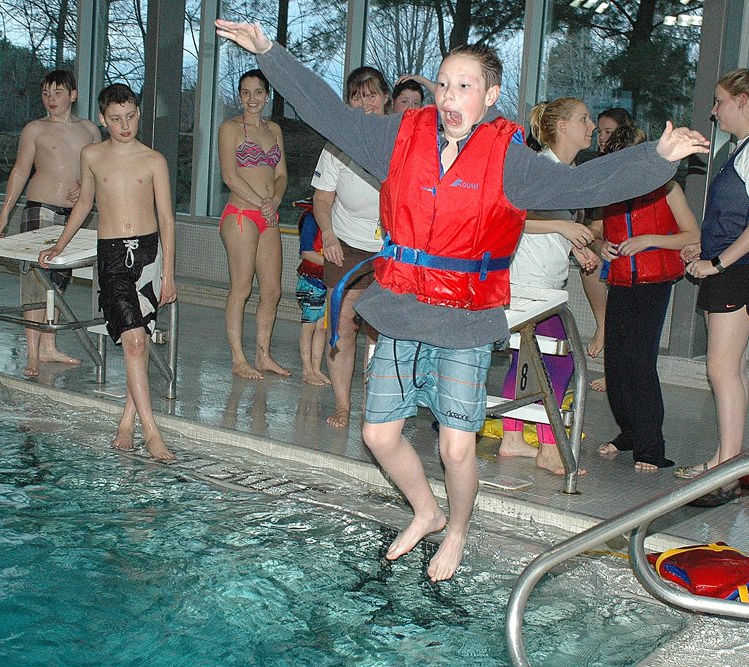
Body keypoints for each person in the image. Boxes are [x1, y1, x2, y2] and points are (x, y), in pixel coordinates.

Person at [215, 20, 708, 581]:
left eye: (465, 86)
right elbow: (328, 113)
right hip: (403, 305)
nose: (450, 98)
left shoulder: (508, 159)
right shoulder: (399, 138)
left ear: (491, 96)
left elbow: (583, 186)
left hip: (466, 317)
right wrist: (271, 55)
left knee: (455, 449)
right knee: (378, 434)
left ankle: (456, 529)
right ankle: (425, 511)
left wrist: (657, 159)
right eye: (444, 85)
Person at [38, 83, 178, 462]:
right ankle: (152, 433)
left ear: (137, 113)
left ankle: (127, 422)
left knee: (141, 341)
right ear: (103, 119)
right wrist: (60, 246)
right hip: (113, 256)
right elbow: (84, 203)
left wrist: (170, 273)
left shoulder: (154, 160)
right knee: (132, 341)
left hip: (149, 255)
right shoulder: (93, 155)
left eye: (130, 116)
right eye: (116, 119)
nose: (125, 125)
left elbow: (167, 218)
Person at [676, 58, 749, 506]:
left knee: (721, 368)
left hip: (742, 272)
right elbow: (734, 217)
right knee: (732, 369)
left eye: (720, 103)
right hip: (739, 268)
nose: (714, 112)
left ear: (743, 102)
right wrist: (703, 248)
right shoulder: (745, 148)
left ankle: (727, 473)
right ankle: (727, 458)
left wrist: (717, 263)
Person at [497, 97, 599, 476]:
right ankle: (549, 447)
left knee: (526, 361)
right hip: (528, 284)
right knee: (561, 360)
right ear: (562, 127)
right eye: (584, 119)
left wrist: (577, 248)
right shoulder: (540, 168)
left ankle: (511, 439)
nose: (590, 125)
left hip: (545, 282)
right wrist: (563, 227)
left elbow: (550, 226)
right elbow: (510, 218)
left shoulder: (566, 172)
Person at [593, 125, 700, 472]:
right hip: (622, 282)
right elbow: (594, 233)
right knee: (616, 363)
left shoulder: (667, 189)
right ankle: (630, 433)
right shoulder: (608, 192)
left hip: (654, 283)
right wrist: (601, 247)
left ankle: (651, 446)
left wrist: (648, 239)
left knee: (639, 363)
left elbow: (691, 235)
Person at [0, 70, 101, 378]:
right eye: (46, 94)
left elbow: (98, 168)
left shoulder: (90, 130)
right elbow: (20, 170)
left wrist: (85, 185)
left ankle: (48, 346)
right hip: (41, 207)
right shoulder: (35, 129)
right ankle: (31, 351)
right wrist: (4, 213)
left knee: (59, 281)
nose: (51, 99)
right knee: (38, 280)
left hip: (75, 212)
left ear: (73, 95)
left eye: (57, 93)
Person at [311, 66, 389, 428]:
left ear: (386, 97)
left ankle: (378, 405)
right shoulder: (337, 145)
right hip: (345, 243)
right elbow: (322, 199)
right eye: (357, 96)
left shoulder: (397, 140)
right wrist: (327, 235)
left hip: (390, 247)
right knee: (341, 324)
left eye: (371, 94)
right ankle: (343, 404)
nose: (364, 102)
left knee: (383, 328)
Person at [218, 69, 290, 380]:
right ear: (240, 95)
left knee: (272, 291)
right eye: (245, 93)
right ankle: (238, 358)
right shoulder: (230, 129)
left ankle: (263, 355)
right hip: (241, 215)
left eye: (257, 92)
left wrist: (274, 200)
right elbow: (229, 176)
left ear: (266, 95)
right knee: (242, 288)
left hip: (268, 214)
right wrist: (261, 202)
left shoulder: (274, 129)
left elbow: (282, 174)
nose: (252, 99)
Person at [582, 107, 636, 391]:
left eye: (608, 132)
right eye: (599, 131)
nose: (601, 137)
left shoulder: (630, 171)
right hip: (605, 239)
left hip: (630, 246)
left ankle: (613, 365)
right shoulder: (594, 168)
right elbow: (595, 223)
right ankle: (603, 325)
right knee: (589, 256)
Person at [296, 207, 330, 386]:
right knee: (309, 326)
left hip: (327, 282)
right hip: (311, 281)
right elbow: (306, 251)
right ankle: (306, 370)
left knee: (322, 328)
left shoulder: (337, 217)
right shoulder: (312, 217)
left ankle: (316, 369)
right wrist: (332, 263)